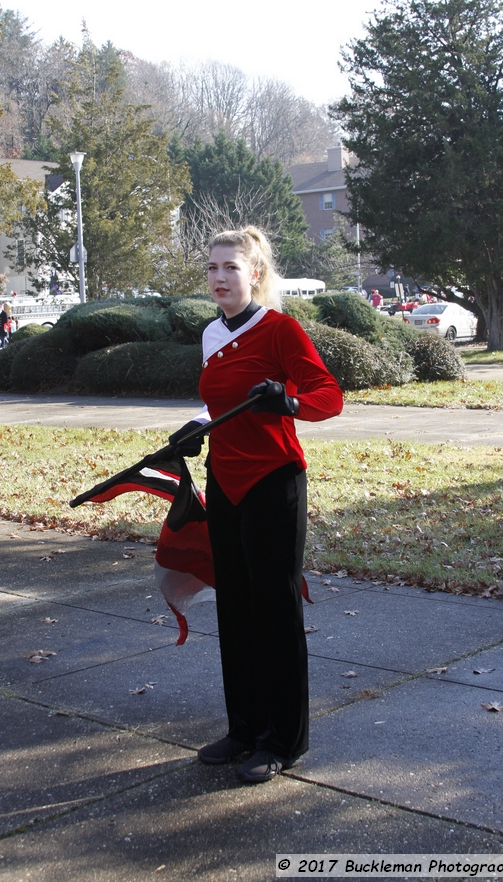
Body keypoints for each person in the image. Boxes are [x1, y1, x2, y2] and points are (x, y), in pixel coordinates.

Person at [169, 227, 343, 784]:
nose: (219, 278)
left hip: (274, 482)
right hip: (225, 482)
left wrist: (287, 401)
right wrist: (193, 429)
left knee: (275, 610)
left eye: (231, 269)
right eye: (213, 268)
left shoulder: (281, 330)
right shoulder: (210, 334)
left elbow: (328, 397)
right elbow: (213, 403)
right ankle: (244, 728)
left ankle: (283, 740)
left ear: (256, 275)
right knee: (235, 608)